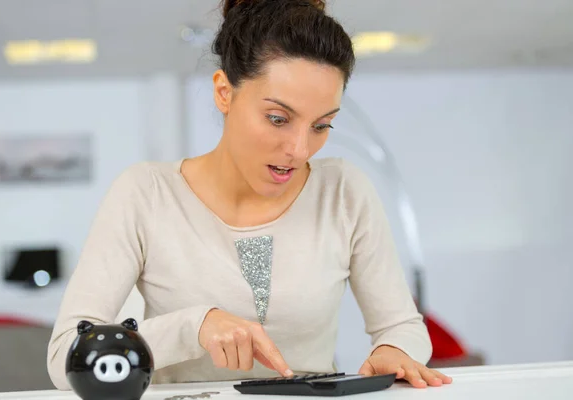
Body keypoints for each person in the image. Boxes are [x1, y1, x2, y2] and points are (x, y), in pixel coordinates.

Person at [47, 0, 452, 390]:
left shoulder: (343, 192)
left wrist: (394, 349)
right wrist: (194, 326)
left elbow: (401, 325)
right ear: (224, 92)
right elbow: (67, 358)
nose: (299, 148)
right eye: (278, 119)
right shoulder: (146, 194)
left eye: (321, 125)